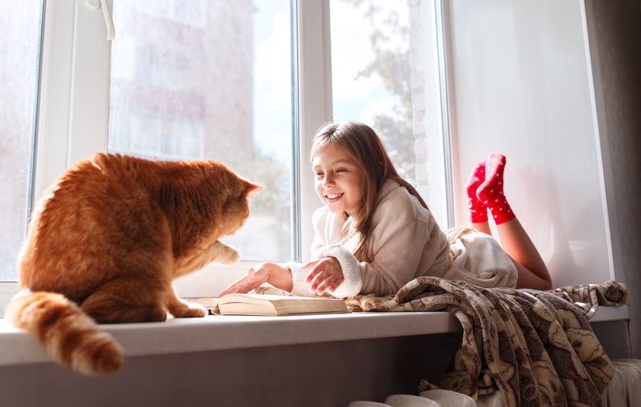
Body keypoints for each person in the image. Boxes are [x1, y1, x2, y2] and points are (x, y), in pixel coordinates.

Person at [220, 122, 552, 299]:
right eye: (319, 173)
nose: (327, 183)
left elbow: (393, 284)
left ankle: (492, 201)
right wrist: (281, 275)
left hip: (472, 264)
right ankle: (477, 203)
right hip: (443, 247)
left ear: (373, 168)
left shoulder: (398, 205)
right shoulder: (325, 219)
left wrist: (342, 267)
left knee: (543, 284)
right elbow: (325, 279)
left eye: (341, 170)